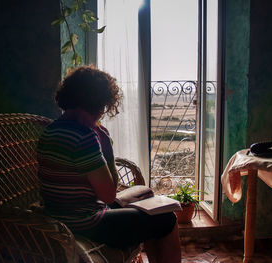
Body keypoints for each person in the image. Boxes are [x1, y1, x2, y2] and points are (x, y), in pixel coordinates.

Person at [37, 65, 181, 263]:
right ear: (95, 103)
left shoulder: (50, 130)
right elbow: (108, 195)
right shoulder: (84, 137)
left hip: (59, 214)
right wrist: (106, 147)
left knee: (144, 192)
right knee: (167, 219)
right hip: (85, 222)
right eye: (102, 108)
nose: (101, 114)